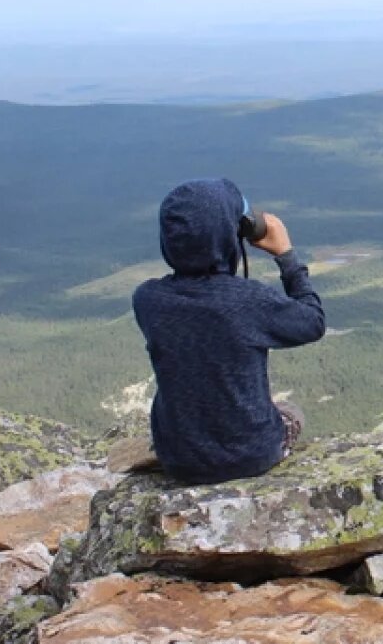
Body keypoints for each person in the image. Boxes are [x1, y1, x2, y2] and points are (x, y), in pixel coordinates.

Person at [132, 178, 325, 484]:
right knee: (291, 411)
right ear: (229, 237)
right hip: (251, 455)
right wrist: (286, 256)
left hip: (178, 459)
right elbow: (313, 322)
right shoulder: (248, 300)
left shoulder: (147, 300)